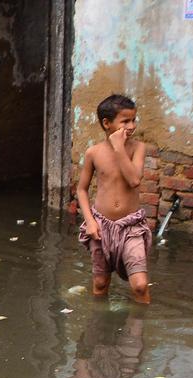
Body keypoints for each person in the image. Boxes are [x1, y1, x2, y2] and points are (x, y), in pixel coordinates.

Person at [76, 94, 151, 304]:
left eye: (134, 120)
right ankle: (99, 330)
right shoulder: (94, 152)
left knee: (140, 285)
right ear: (106, 124)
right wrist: (90, 221)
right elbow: (81, 190)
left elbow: (134, 180)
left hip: (131, 226)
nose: (131, 126)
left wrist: (118, 147)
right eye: (125, 121)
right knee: (100, 283)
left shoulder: (137, 148)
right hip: (101, 226)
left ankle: (137, 334)